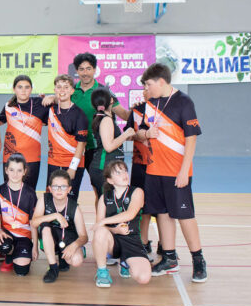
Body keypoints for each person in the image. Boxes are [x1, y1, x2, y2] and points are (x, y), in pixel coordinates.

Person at [137, 63, 206, 282]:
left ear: (161, 81)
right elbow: (140, 132)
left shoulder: (183, 102)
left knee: (184, 216)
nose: (146, 88)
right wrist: (146, 134)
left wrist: (184, 171)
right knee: (162, 214)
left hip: (177, 171)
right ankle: (169, 259)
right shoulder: (150, 103)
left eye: (149, 84)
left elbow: (191, 138)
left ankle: (198, 260)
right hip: (154, 169)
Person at [91, 160, 151, 288]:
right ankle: (102, 272)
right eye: (118, 172)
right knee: (100, 232)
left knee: (144, 278)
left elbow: (130, 214)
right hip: (113, 242)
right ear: (110, 180)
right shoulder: (104, 198)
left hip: (132, 240)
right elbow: (99, 227)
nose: (124, 174)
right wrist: (115, 230)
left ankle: (125, 263)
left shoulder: (137, 192)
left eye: (125, 171)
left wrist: (104, 221)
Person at [70, 53, 129, 180]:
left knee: (99, 186)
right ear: (77, 71)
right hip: (77, 148)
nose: (85, 73)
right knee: (72, 185)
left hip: (98, 149)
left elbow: (124, 115)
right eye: (81, 69)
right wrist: (51, 98)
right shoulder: (71, 91)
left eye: (88, 68)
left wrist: (139, 109)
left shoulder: (104, 92)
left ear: (95, 70)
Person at [32, 170, 88, 283]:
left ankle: (64, 257)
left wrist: (74, 245)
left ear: (69, 189)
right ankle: (53, 268)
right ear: (50, 188)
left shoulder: (74, 207)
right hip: (49, 237)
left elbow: (84, 236)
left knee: (76, 260)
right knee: (45, 228)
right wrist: (55, 215)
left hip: (67, 238)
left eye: (63, 187)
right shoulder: (44, 199)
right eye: (55, 186)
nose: (58, 190)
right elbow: (33, 223)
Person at [0, 75, 49, 189]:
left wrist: (52, 98)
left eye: (27, 87)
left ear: (31, 89)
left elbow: (60, 109)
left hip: (32, 157)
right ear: (14, 89)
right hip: (10, 157)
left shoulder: (40, 103)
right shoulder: (8, 106)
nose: (23, 90)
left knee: (29, 192)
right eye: (20, 87)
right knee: (10, 192)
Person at [0, 154, 38, 276]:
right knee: (4, 246)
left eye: (19, 170)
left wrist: (35, 246)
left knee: (22, 271)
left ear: (24, 171)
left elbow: (33, 222)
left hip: (24, 235)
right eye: (12, 170)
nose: (15, 174)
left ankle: (18, 255)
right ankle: (9, 255)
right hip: (6, 233)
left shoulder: (30, 193)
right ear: (6, 170)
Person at [88, 87, 135, 202]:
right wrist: (126, 134)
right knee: (107, 204)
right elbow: (108, 147)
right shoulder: (106, 120)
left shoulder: (104, 117)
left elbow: (110, 141)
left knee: (106, 203)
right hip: (104, 168)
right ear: (112, 101)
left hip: (106, 168)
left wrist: (125, 138)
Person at [46, 75, 89, 200]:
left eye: (66, 87)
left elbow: (81, 144)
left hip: (72, 165)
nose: (62, 90)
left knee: (70, 201)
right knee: (50, 199)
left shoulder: (79, 114)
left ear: (72, 91)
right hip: (53, 163)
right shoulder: (50, 109)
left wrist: (73, 168)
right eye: (59, 87)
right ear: (54, 90)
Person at [126, 90, 156, 258]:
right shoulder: (137, 110)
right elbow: (128, 133)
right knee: (141, 205)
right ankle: (143, 242)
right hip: (139, 164)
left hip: (160, 165)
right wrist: (139, 135)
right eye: (145, 86)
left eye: (149, 85)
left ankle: (165, 246)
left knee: (163, 209)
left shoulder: (166, 111)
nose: (147, 90)